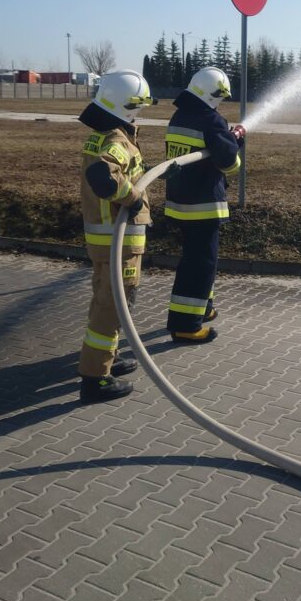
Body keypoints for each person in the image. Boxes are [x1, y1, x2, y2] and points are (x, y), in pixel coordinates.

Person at [77, 69, 155, 403]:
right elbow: (103, 176)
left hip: (105, 242)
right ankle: (95, 379)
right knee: (111, 310)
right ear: (127, 105)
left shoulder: (101, 135)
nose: (140, 113)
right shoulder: (117, 141)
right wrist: (133, 198)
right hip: (118, 244)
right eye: (138, 107)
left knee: (105, 303)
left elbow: (113, 170)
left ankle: (107, 359)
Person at [164, 66, 244, 342]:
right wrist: (236, 141)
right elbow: (229, 164)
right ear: (213, 95)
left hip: (180, 202)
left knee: (197, 259)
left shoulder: (179, 116)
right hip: (203, 206)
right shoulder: (211, 120)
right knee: (200, 265)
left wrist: (227, 139)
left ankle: (203, 308)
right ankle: (186, 324)